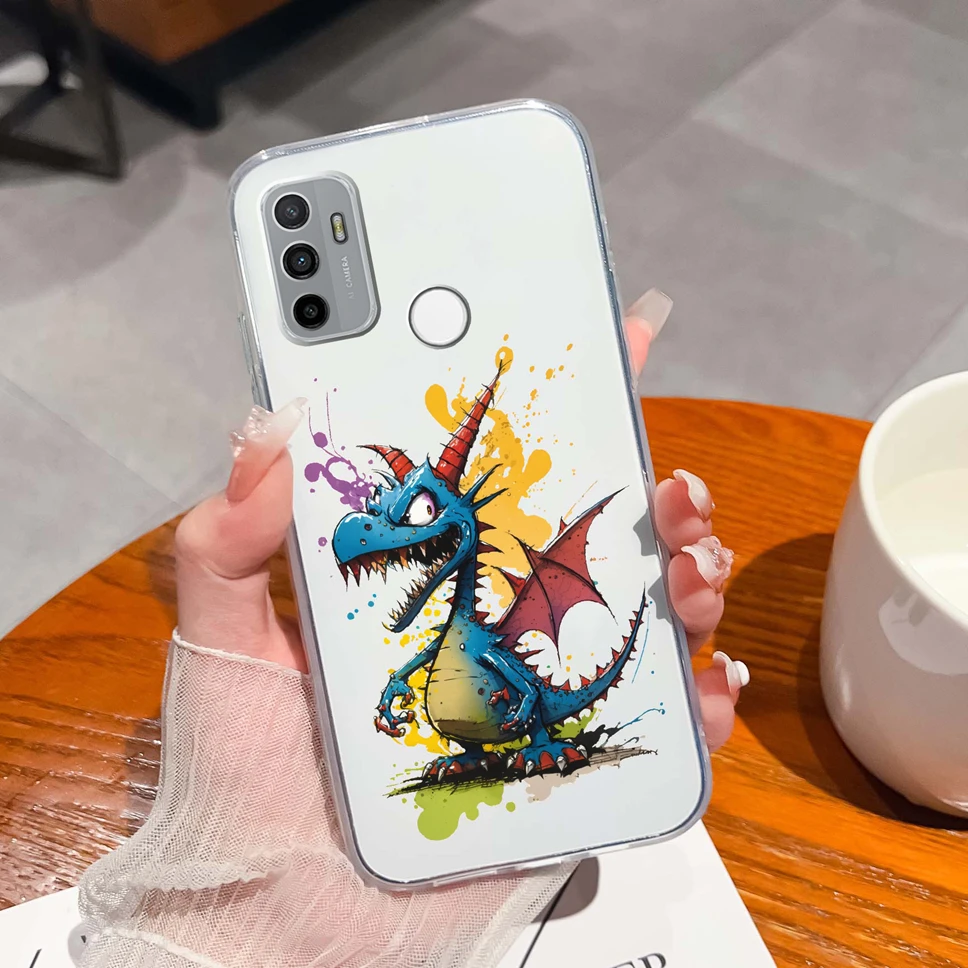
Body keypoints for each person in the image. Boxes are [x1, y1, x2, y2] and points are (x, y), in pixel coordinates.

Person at [77, 293, 747, 968]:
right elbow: (432, 650)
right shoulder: (449, 628)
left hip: (524, 714)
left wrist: (536, 735)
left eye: (418, 511)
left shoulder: (483, 625)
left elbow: (496, 675)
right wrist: (398, 682)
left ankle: (540, 738)